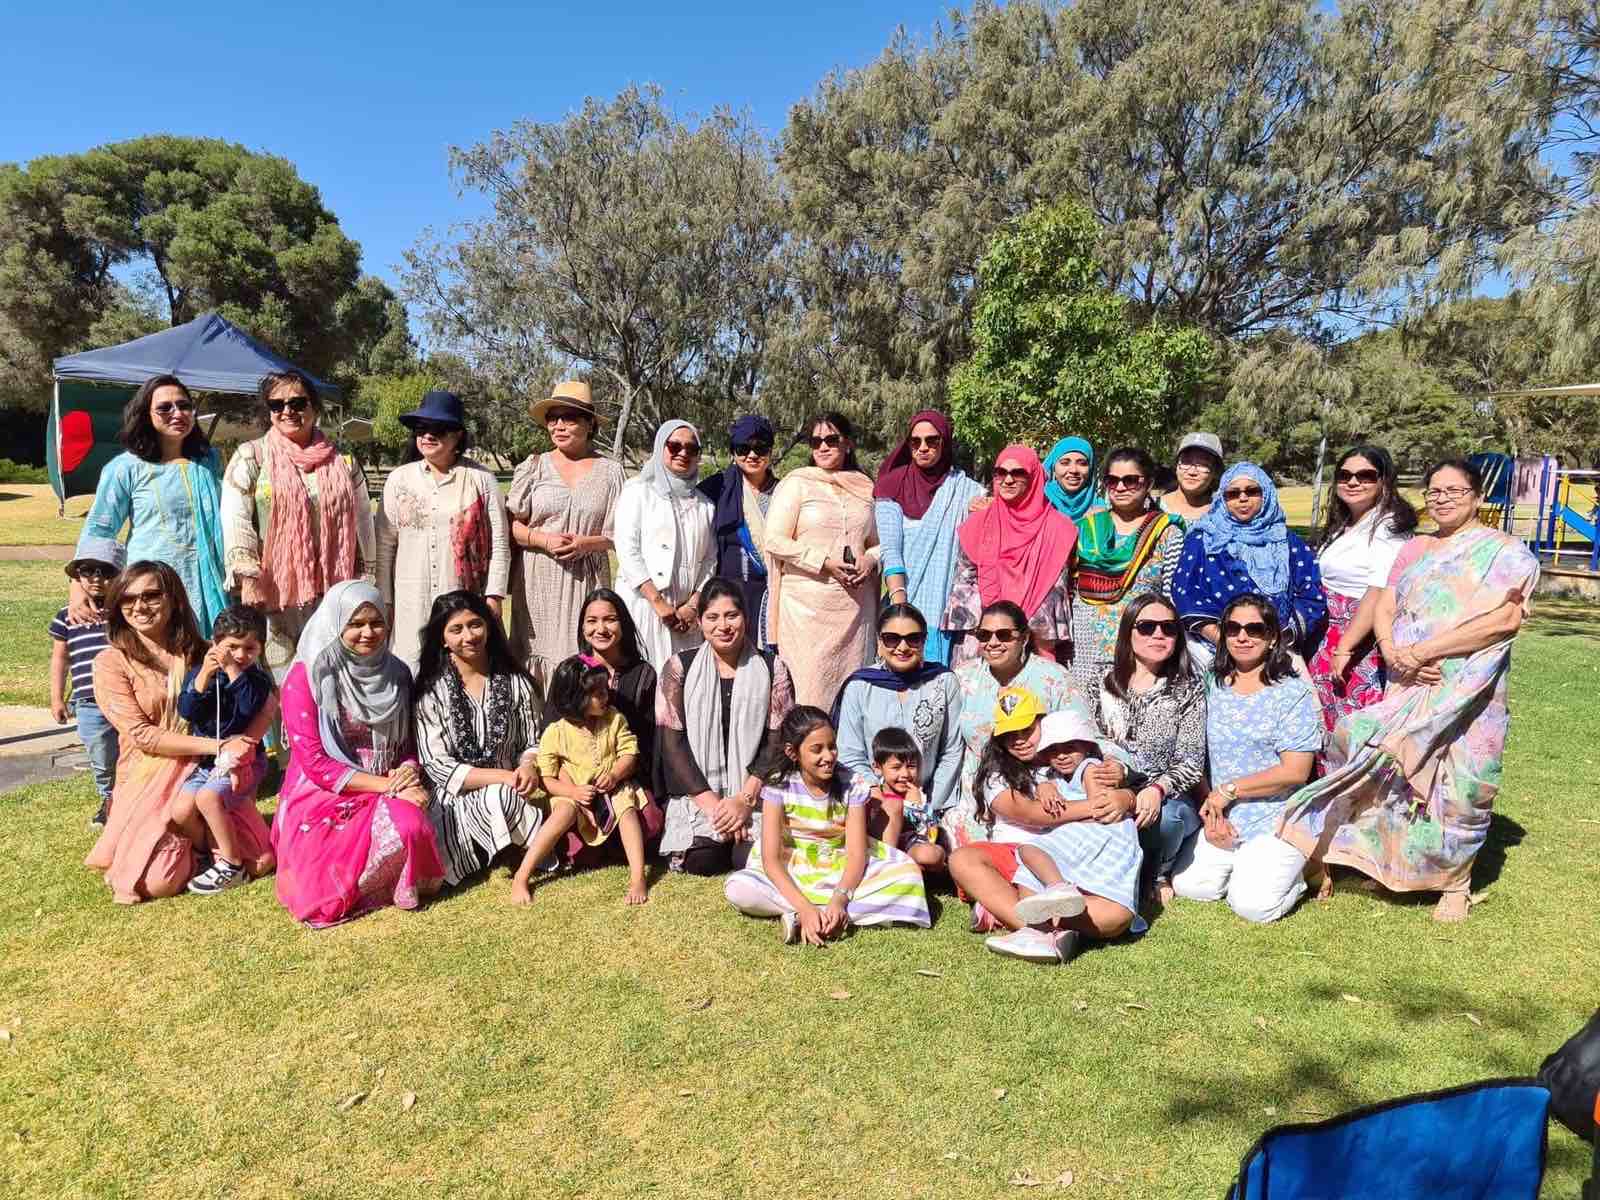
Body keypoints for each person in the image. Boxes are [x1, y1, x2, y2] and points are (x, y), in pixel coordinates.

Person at [1277, 458, 1540, 923]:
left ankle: (1455, 884)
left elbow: (1505, 619)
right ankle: (1386, 862)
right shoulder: (1414, 548)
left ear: (1477, 496)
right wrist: (1394, 651)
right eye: (1434, 491)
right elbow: (1386, 599)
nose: (1441, 499)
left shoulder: (1506, 552)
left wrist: (1427, 651)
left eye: (1454, 491)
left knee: (1463, 784)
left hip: (1470, 686)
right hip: (1408, 678)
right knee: (1368, 748)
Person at [85, 562, 274, 903]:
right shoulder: (111, 662)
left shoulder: (205, 652)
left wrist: (245, 744)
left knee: (260, 861)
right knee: (159, 883)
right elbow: (144, 735)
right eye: (127, 598)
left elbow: (260, 699)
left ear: (174, 600)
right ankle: (196, 845)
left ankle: (212, 851)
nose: (139, 606)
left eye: (151, 595)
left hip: (208, 766)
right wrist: (220, 745)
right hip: (151, 771)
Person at [272, 581, 445, 927]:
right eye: (355, 624)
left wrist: (408, 770)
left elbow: (407, 743)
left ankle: (385, 885)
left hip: (387, 779)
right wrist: (389, 787)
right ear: (335, 623)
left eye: (377, 622)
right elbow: (316, 763)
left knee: (409, 828)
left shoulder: (396, 673)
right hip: (324, 789)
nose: (368, 632)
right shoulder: (307, 676)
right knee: (323, 894)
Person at [948, 694, 1140, 963]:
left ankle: (1038, 926)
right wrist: (1097, 806)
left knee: (1115, 915)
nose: (1020, 739)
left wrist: (1126, 796)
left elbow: (1106, 763)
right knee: (962, 859)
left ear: (1044, 724)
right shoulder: (998, 775)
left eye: (1028, 730)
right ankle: (1044, 928)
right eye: (1009, 735)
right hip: (1024, 853)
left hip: (1075, 849)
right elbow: (1033, 815)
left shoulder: (1065, 760)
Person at [221, 369, 375, 693]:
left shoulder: (344, 462)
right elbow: (235, 518)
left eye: (297, 402)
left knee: (333, 679)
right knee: (284, 684)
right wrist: (248, 574)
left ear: (315, 408)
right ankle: (292, 744)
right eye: (277, 405)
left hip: (334, 590)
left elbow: (362, 520)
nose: (287, 411)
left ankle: (330, 743)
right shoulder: (251, 457)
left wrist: (368, 574)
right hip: (275, 592)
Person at [1170, 594, 1320, 923]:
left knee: (1252, 906)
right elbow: (1196, 753)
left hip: (1276, 819)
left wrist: (1228, 791)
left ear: (1272, 638)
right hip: (1222, 814)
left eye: (1255, 629)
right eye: (1233, 628)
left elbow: (1296, 771)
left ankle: (1306, 870)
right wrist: (1211, 810)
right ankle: (1248, 867)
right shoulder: (1210, 686)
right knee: (1190, 886)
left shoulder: (1292, 694)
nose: (1243, 636)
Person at [724, 706, 931, 943]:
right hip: (793, 863)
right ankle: (814, 914)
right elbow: (771, 859)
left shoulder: (851, 783)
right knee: (739, 888)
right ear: (793, 753)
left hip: (841, 866)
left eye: (832, 746)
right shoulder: (778, 785)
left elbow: (856, 853)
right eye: (817, 750)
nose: (829, 756)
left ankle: (820, 914)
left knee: (908, 876)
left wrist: (840, 899)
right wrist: (804, 906)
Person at [947, 600, 1115, 849]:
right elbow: (948, 744)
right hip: (980, 788)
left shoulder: (1053, 678)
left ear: (1024, 637)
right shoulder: (962, 678)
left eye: (1003, 635)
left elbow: (1087, 734)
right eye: (984, 635)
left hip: (1045, 786)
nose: (993, 643)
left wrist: (1115, 764)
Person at [656, 579, 795, 875]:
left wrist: (744, 800)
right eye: (713, 617)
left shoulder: (773, 668)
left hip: (755, 792)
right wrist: (716, 809)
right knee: (703, 860)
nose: (723, 625)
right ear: (700, 621)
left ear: (745, 616)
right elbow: (672, 744)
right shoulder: (678, 668)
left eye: (732, 615)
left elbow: (777, 739)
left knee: (754, 856)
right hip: (701, 795)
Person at [70, 375, 227, 634]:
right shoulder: (125, 468)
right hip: (151, 589)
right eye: (165, 408)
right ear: (146, 414)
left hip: (210, 583)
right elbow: (98, 531)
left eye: (184, 405)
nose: (177, 413)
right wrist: (78, 589)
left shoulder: (209, 461)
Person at [412, 590, 547, 889]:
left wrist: (527, 766)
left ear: (488, 626)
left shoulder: (516, 683)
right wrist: (502, 776)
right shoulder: (431, 693)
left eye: (475, 624)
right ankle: (505, 851)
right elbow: (436, 766)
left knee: (503, 796)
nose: (468, 636)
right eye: (456, 629)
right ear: (442, 638)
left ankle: (500, 849)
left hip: (513, 786)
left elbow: (533, 741)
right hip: (451, 796)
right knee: (498, 796)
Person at [375, 390, 511, 671]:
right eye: (421, 429)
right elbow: (385, 545)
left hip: (463, 599)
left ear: (458, 434)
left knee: (463, 671)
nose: (427, 436)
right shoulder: (400, 479)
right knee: (411, 671)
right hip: (411, 599)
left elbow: (499, 541)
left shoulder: (481, 480)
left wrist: (494, 595)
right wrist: (385, 600)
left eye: (437, 429)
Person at [507, 381, 625, 687]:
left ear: (589, 424)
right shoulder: (533, 467)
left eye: (569, 418)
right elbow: (514, 526)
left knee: (582, 656)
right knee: (534, 659)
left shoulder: (610, 472)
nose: (559, 426)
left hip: (586, 579)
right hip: (537, 581)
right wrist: (543, 540)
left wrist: (587, 543)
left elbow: (621, 534)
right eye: (553, 418)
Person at [1091, 594, 1207, 906]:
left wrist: (1157, 788)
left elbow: (1192, 761)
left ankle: (1158, 872)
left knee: (1165, 820)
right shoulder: (1100, 681)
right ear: (1128, 632)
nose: (1158, 634)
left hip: (1165, 796)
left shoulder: (1188, 689)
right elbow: (1087, 740)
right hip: (1108, 784)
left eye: (1168, 628)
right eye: (1147, 627)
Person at [763, 412, 880, 706]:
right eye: (815, 441)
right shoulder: (797, 483)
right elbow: (774, 540)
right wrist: (824, 561)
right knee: (809, 696)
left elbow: (880, 543)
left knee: (854, 695)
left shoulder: (866, 488)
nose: (823, 447)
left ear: (848, 443)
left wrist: (870, 560)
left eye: (831, 439)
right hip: (806, 613)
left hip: (855, 611)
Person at [832, 603, 963, 847]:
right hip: (875, 801)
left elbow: (952, 749)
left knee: (934, 855)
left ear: (924, 641)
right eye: (892, 639)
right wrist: (879, 793)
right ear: (879, 642)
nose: (903, 647)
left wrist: (928, 804)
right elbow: (850, 752)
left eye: (913, 639)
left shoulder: (943, 682)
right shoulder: (860, 686)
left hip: (930, 802)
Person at [526, 655, 652, 905]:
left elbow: (629, 752)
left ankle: (637, 877)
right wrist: (572, 792)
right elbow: (547, 778)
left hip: (613, 788)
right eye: (598, 693)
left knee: (625, 808)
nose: (606, 696)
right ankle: (523, 875)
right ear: (575, 697)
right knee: (563, 812)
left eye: (606, 690)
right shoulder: (556, 732)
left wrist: (616, 773)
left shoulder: (614, 719)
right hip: (572, 792)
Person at [1308, 445, 1417, 732]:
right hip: (1325, 635)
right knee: (1323, 722)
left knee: (1352, 726)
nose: (1353, 482)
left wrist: (1345, 648)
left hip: (1358, 640)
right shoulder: (1346, 524)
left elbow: (1380, 590)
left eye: (1365, 475)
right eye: (1345, 475)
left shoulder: (1388, 526)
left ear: (1384, 480)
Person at [1173, 462, 1327, 663]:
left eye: (1252, 491)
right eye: (1233, 493)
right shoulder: (1204, 540)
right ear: (1222, 498)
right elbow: (1185, 592)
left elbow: (1311, 595)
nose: (1243, 498)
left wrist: (1275, 643)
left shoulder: (1289, 543)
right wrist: (1228, 644)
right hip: (1213, 650)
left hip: (1278, 651)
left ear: (1266, 494)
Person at [174, 603, 278, 895]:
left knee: (208, 798)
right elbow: (187, 711)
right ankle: (212, 851)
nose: (241, 655)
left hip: (242, 762)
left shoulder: (255, 681)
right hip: (208, 761)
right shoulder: (200, 673)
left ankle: (232, 865)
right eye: (233, 647)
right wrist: (204, 676)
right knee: (181, 811)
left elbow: (247, 709)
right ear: (215, 643)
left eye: (250, 648)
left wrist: (233, 670)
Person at [1067, 446, 1186, 692]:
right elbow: (1069, 586)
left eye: (1130, 480)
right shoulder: (1085, 529)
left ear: (1149, 482)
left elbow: (1171, 598)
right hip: (1084, 649)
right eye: (1112, 480)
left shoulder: (1166, 533)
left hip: (1140, 651)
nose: (1120, 487)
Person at [944, 446, 1076, 667]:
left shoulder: (1060, 529)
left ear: (1034, 477)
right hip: (981, 639)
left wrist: (1016, 632)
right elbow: (964, 587)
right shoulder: (976, 525)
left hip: (1035, 642)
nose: (1007, 480)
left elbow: (1053, 592)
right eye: (1000, 473)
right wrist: (996, 629)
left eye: (1018, 473)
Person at [873, 410, 985, 665]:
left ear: (944, 443)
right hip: (904, 603)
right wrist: (900, 611)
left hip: (950, 614)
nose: (923, 448)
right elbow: (891, 551)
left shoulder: (967, 491)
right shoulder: (891, 486)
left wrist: (984, 511)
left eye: (932, 441)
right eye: (916, 442)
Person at [614, 419, 716, 671]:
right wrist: (658, 603)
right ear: (661, 447)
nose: (683, 453)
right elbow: (627, 550)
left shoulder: (705, 506)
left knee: (683, 682)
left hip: (685, 618)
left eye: (692, 449)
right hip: (644, 605)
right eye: (675, 446)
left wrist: (693, 606)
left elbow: (710, 560)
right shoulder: (638, 491)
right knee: (644, 678)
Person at [49, 536, 125, 826]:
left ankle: (131, 799)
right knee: (101, 754)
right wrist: (57, 698)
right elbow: (60, 659)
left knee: (130, 750)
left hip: (124, 697)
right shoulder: (65, 618)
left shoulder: (124, 614)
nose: (97, 578)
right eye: (88, 570)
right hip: (88, 701)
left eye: (106, 571)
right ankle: (108, 799)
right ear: (77, 575)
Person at [698, 414, 781, 648]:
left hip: (774, 593)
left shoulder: (785, 492)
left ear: (770, 451)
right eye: (744, 448)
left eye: (760, 448)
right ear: (733, 452)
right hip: (728, 597)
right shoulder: (716, 488)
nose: (752, 455)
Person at [576, 588, 658, 775]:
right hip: (578, 778)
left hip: (630, 776)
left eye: (610, 620)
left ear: (623, 625)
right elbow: (552, 729)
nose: (601, 629)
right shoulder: (571, 672)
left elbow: (650, 741)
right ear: (582, 627)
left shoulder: (643, 675)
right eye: (592, 621)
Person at [859, 727, 945, 869]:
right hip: (880, 848)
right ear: (877, 767)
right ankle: (894, 869)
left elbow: (931, 834)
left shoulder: (917, 794)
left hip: (909, 846)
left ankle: (914, 869)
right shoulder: (875, 794)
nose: (905, 773)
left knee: (932, 854)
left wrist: (917, 807)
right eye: (896, 767)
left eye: (911, 766)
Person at [1161, 431, 1225, 522]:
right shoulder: (1151, 507)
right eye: (1186, 462)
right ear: (1176, 466)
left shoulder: (1222, 514)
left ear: (1215, 472)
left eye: (1203, 464)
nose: (1192, 472)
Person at [1043, 436, 1100, 519]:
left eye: (1082, 463)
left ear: (1090, 469)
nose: (1073, 470)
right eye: (1065, 463)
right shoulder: (1040, 501)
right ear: (1053, 468)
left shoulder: (1100, 508)